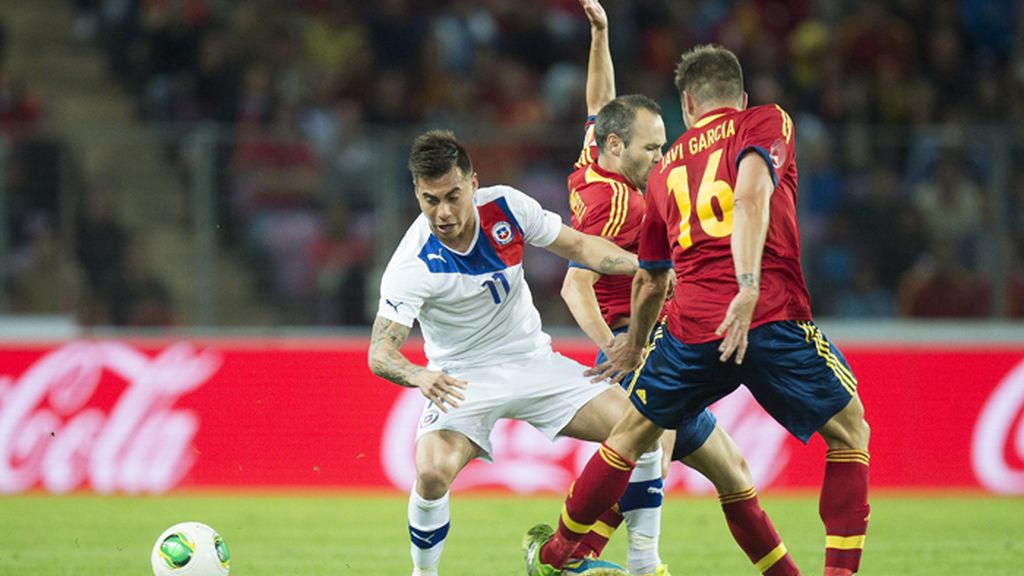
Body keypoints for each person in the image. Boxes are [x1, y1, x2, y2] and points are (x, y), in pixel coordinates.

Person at [525, 44, 872, 576]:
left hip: (686, 330)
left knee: (637, 442)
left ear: (686, 105)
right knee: (849, 433)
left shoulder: (663, 171)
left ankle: (556, 554)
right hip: (767, 314)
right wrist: (749, 285)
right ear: (742, 96)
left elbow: (652, 276)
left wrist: (636, 346)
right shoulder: (764, 121)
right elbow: (751, 198)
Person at [370, 129, 654, 576]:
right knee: (430, 474)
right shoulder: (412, 264)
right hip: (461, 377)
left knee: (641, 431)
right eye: (430, 200)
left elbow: (579, 246)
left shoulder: (506, 208)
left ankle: (642, 563)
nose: (443, 213)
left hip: (532, 360)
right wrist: (420, 376)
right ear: (417, 194)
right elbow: (380, 354)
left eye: (452, 196)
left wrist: (647, 268)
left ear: (473, 183)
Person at [559, 2, 685, 574]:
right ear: (618, 147)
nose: (658, 158)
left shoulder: (597, 156)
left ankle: (583, 555)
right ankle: (589, 557)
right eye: (651, 149)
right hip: (631, 332)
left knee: (656, 446)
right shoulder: (609, 204)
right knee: (646, 447)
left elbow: (598, 103)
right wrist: (612, 342)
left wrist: (600, 33)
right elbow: (573, 283)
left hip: (652, 330)